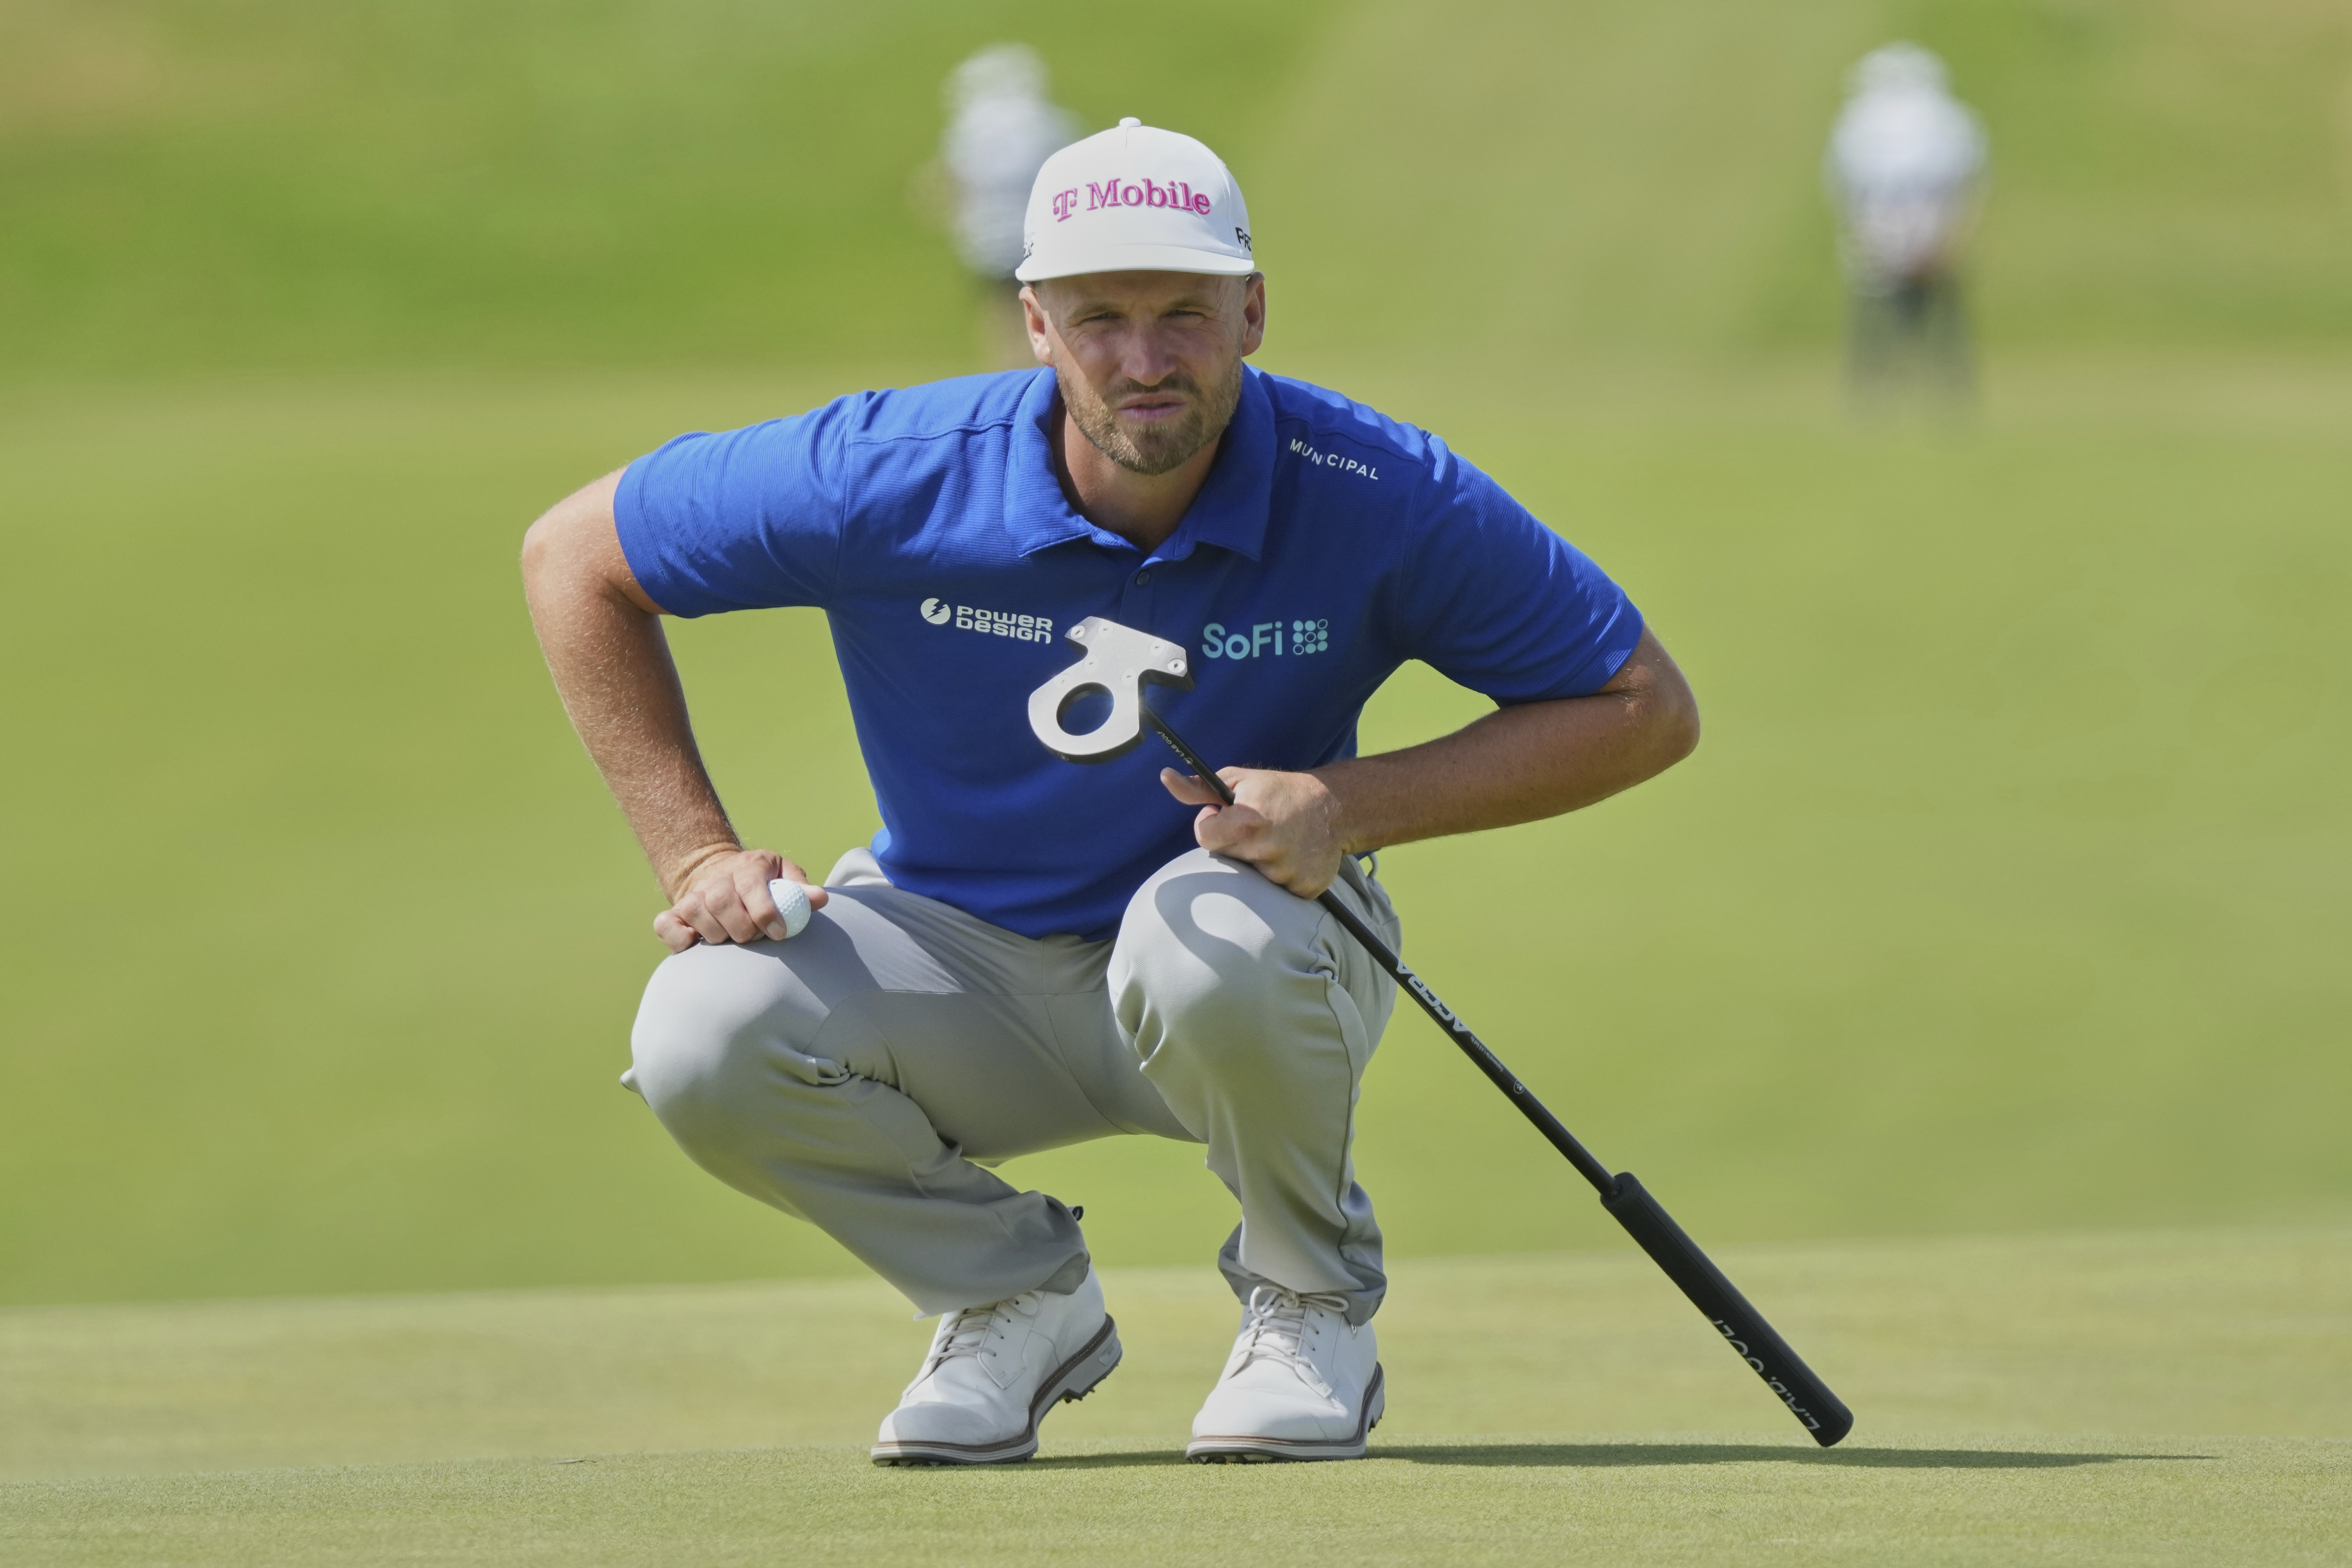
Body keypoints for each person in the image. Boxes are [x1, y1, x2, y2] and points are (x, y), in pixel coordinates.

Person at [522, 118, 1699, 1466]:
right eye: (1098, 319)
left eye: (1182, 315)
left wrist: (1345, 804)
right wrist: (694, 856)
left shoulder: (1378, 491)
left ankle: (1309, 1301)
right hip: (953, 959)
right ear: (1031, 322)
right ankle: (1010, 1296)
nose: (1143, 360)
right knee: (701, 1028)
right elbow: (574, 556)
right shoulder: (886, 469)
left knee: (1204, 937)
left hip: (1244, 957)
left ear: (1250, 311)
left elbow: (1640, 707)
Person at [1824, 43, 1987, 405]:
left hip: (1915, 222)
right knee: (1881, 317)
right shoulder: (1942, 121)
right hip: (1904, 222)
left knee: (1935, 317)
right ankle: (1878, 392)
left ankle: (1939, 393)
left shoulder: (1939, 122)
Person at [937, 44, 1076, 368]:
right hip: (1041, 233)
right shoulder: (1049, 124)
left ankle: (1008, 368)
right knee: (1043, 301)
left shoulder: (969, 130)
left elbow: (953, 181)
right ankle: (1039, 364)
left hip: (989, 235)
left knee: (1003, 310)